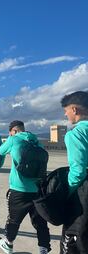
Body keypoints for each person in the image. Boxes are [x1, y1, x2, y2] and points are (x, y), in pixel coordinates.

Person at [0, 120, 51, 254]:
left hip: (19, 189)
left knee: (14, 220)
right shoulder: (36, 141)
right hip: (38, 190)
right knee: (41, 222)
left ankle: (8, 244)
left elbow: (0, 151)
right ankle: (43, 249)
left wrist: (10, 138)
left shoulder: (13, 139)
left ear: (13, 131)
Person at [60, 91, 88, 253]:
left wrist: (66, 194)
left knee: (73, 243)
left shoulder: (75, 134)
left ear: (75, 110)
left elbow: (78, 170)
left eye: (66, 110)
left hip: (83, 197)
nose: (65, 113)